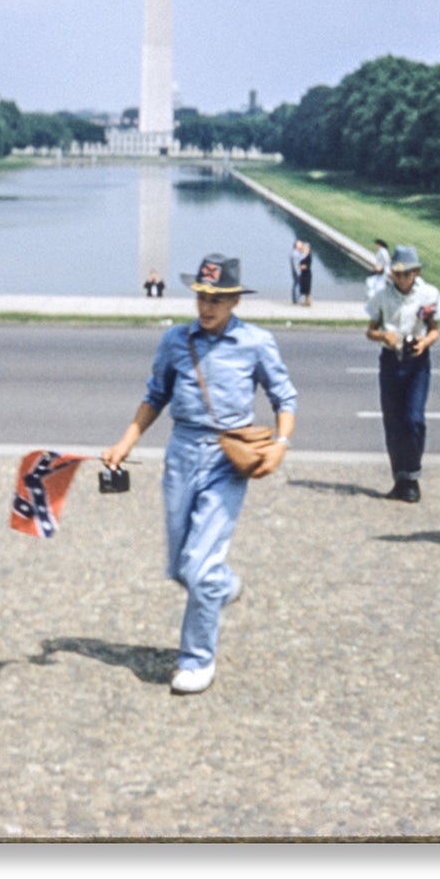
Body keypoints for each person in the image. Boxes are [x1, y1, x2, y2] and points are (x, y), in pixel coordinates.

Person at [100, 254, 298, 695]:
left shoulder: (256, 342)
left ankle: (196, 660)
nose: (208, 307)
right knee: (178, 567)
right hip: (182, 454)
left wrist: (280, 446)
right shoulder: (174, 340)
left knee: (199, 566)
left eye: (218, 299)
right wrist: (124, 443)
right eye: (203, 297)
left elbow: (286, 398)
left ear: (233, 300)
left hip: (228, 459)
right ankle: (224, 585)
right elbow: (155, 396)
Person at [365, 244, 440, 502]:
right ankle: (400, 477)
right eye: (396, 274)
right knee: (393, 421)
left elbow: (434, 330)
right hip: (391, 360)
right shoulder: (381, 296)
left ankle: (413, 475)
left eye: (406, 274)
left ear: (416, 273)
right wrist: (382, 336)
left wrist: (425, 342)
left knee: (414, 419)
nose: (401, 279)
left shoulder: (428, 294)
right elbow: (370, 330)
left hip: (416, 361)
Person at [297, 241, 313, 307]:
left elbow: (307, 266)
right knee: (305, 288)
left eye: (305, 248)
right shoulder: (303, 255)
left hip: (307, 274)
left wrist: (300, 267)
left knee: (307, 288)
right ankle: (306, 302)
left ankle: (308, 302)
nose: (304, 249)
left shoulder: (309, 256)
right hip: (303, 274)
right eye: (304, 248)